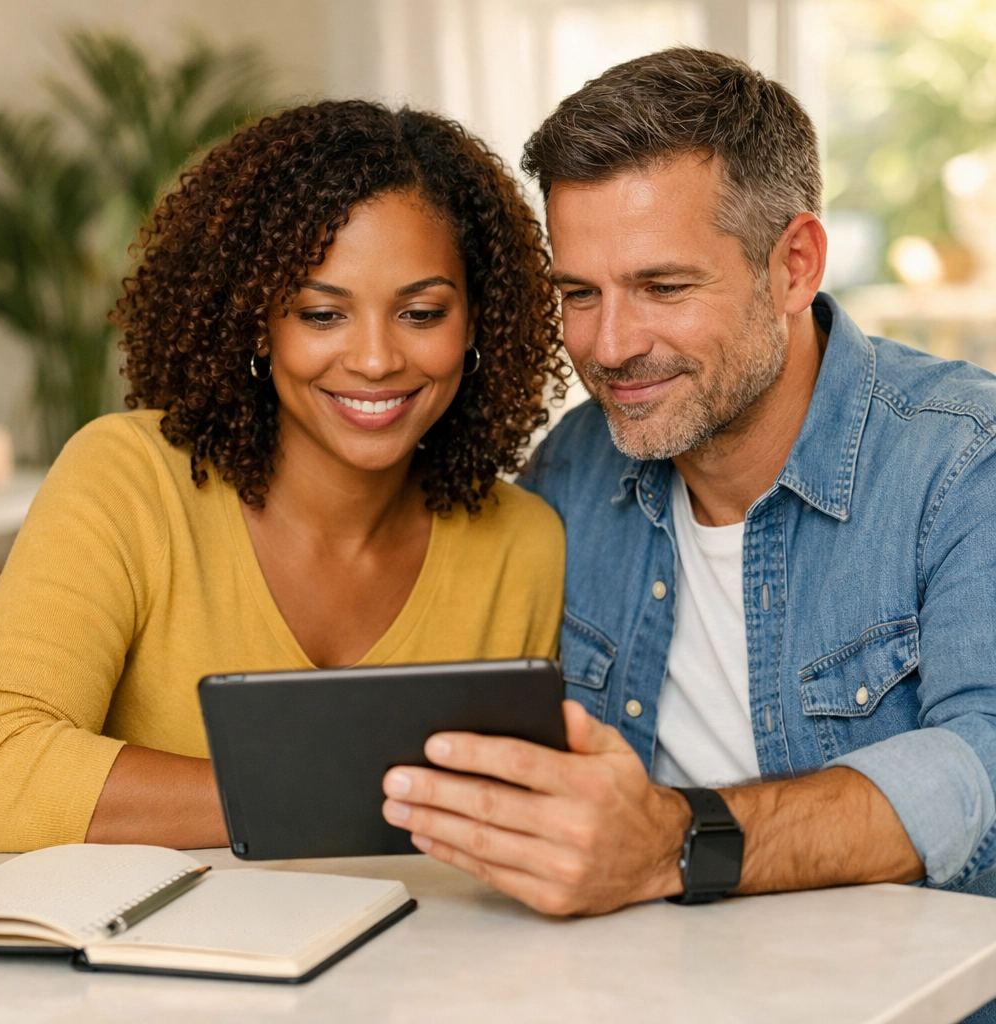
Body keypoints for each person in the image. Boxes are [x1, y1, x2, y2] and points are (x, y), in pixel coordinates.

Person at [381, 48, 996, 920]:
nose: (608, 345)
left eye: (662, 287)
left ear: (794, 265)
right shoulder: (572, 467)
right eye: (580, 293)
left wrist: (677, 841)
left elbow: (986, 760)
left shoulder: (966, 463)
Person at [0, 101, 568, 853]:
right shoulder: (128, 479)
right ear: (258, 321)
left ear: (478, 322)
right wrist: (343, 791)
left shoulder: (524, 546)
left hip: (427, 966)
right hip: (148, 968)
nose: (377, 359)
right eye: (323, 315)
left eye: (421, 313)